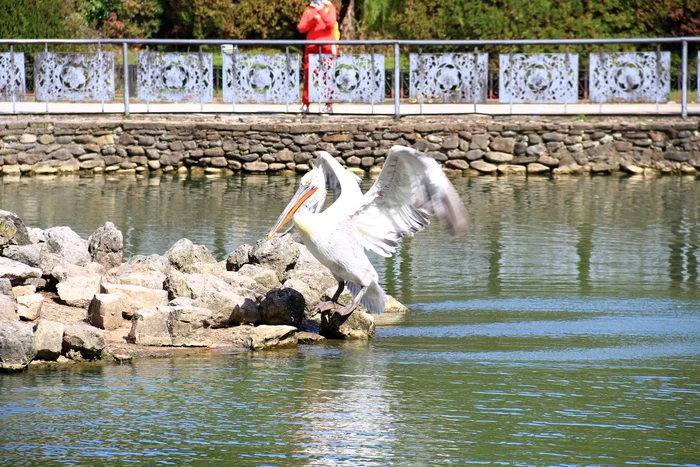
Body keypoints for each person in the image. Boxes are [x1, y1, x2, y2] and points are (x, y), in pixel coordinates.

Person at [297, 0, 338, 114]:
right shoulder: (309, 9)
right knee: (308, 74)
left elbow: (330, 24)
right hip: (311, 46)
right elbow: (301, 27)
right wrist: (312, 21)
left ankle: (328, 105)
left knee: (328, 75)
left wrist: (321, 12)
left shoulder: (329, 8)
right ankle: (305, 104)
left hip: (327, 45)